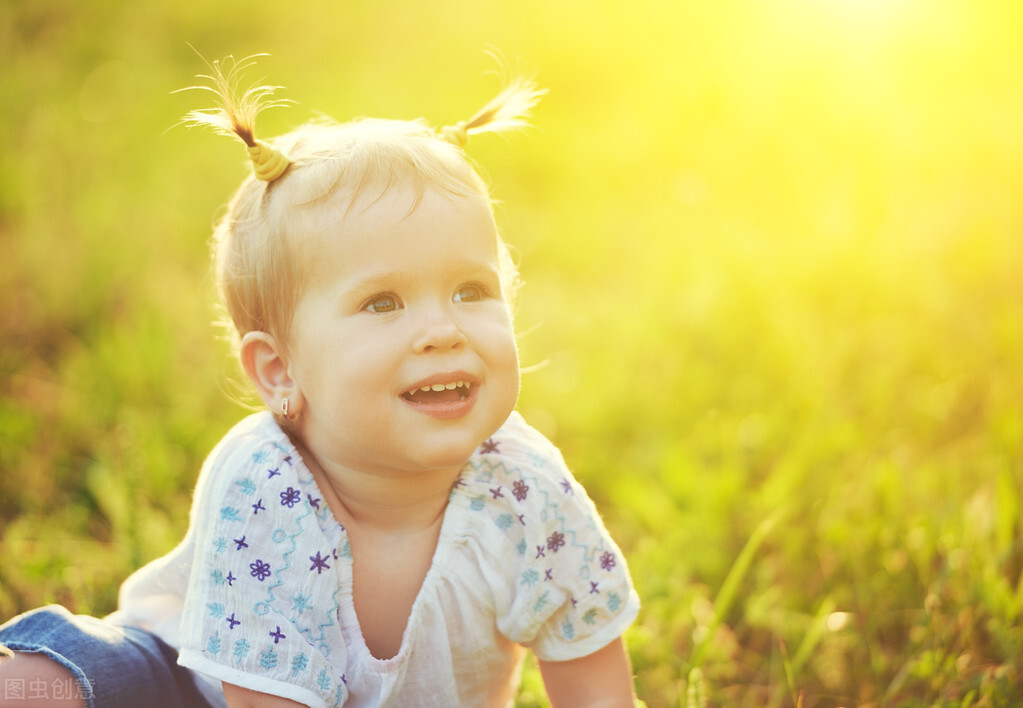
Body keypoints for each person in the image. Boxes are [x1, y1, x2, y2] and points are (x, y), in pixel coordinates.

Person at [0, 54, 640, 708]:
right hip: (182, 685)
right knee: (39, 688)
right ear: (280, 371)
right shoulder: (267, 483)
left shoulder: (525, 487)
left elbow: (592, 676)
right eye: (383, 303)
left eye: (470, 290)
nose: (442, 330)